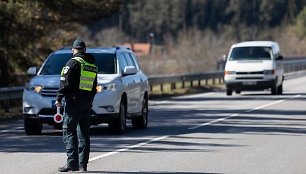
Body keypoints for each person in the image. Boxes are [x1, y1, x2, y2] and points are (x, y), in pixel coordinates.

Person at [56, 39, 98, 172]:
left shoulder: (73, 62)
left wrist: (59, 98)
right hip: (86, 103)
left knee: (68, 131)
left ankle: (72, 163)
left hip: (73, 104)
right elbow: (94, 87)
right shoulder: (91, 65)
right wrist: (89, 100)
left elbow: (64, 82)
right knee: (84, 134)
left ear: (73, 50)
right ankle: (82, 165)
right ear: (85, 50)